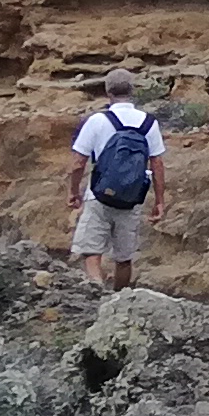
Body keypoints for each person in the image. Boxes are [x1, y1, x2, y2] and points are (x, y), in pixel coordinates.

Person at [66, 71, 166, 290]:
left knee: (92, 251)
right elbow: (157, 164)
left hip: (98, 195)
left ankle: (97, 292)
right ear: (132, 90)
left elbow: (78, 163)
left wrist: (73, 192)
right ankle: (121, 298)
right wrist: (159, 201)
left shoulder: (97, 121)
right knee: (124, 258)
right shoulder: (149, 123)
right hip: (131, 198)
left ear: (107, 91)